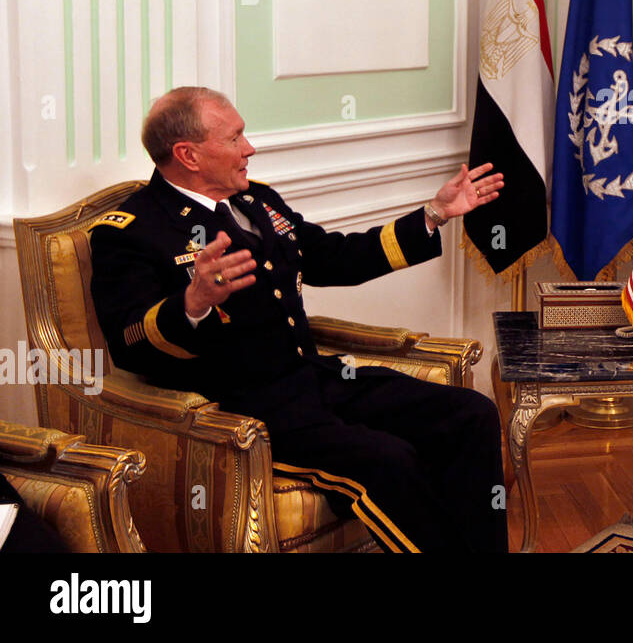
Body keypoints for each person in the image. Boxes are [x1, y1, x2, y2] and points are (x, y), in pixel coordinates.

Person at [89, 86, 508, 552]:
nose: (249, 148)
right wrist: (194, 302)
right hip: (247, 411)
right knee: (389, 460)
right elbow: (128, 341)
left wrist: (433, 216)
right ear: (188, 154)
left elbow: (334, 257)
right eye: (234, 139)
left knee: (471, 413)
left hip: (313, 378)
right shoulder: (130, 231)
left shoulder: (256, 201)